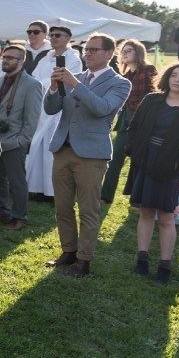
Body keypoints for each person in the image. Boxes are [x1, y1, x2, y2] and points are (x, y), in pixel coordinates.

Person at [42, 34, 130, 277]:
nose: (87, 54)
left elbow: (103, 109)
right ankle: (68, 251)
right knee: (62, 206)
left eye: (93, 50)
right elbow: (51, 108)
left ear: (109, 53)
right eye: (86, 50)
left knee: (88, 210)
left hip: (91, 156)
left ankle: (83, 260)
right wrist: (53, 87)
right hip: (63, 150)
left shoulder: (120, 83)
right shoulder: (76, 78)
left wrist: (74, 84)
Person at [124, 61, 179, 284]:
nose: (177, 79)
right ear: (167, 77)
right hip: (145, 161)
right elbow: (133, 127)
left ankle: (165, 264)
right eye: (174, 75)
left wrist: (178, 161)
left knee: (166, 216)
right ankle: (142, 260)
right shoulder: (152, 100)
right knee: (145, 212)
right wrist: (133, 151)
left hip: (169, 165)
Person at [0, 45, 43, 231]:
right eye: (4, 57)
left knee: (17, 182)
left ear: (21, 61)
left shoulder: (32, 84)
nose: (5, 61)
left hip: (15, 141)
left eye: (10, 58)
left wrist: (22, 141)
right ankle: (1, 211)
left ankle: (20, 217)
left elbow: (32, 118)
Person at [25, 26, 83, 198]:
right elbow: (33, 78)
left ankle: (52, 191)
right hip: (43, 107)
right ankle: (36, 188)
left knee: (52, 151)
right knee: (38, 147)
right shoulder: (46, 58)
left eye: (58, 35)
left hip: (60, 108)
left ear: (68, 38)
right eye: (52, 35)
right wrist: (46, 82)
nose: (53, 38)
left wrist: (46, 82)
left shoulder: (73, 59)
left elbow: (65, 80)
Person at [101, 40, 159, 203]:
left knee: (139, 161)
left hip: (144, 122)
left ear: (138, 52)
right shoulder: (125, 76)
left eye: (129, 50)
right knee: (115, 157)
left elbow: (157, 96)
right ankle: (105, 196)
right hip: (125, 121)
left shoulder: (149, 70)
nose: (124, 53)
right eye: (123, 51)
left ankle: (137, 200)